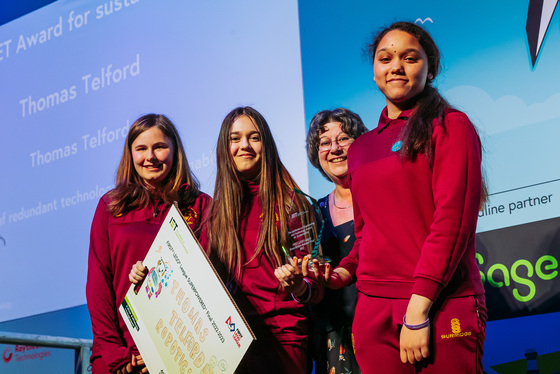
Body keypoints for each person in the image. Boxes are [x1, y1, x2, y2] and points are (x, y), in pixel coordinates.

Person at [309, 22, 488, 373]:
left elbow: (452, 224)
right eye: (385, 58)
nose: (396, 66)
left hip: (439, 305)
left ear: (430, 68)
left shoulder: (450, 125)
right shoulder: (361, 148)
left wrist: (418, 313)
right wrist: (341, 274)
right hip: (373, 315)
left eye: (409, 58)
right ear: (375, 72)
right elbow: (366, 236)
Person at [86, 114, 212, 374]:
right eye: (141, 149)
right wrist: (114, 354)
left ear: (175, 151)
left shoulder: (201, 206)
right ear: (130, 155)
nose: (150, 157)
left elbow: (208, 285)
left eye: (159, 147)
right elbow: (98, 284)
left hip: (178, 355)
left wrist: (167, 354)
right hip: (120, 359)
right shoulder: (110, 206)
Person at [207, 106, 322, 374]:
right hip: (231, 347)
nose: (244, 145)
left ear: (266, 145)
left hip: (284, 344)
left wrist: (299, 286)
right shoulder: (214, 214)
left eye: (254, 137)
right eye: (235, 138)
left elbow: (316, 288)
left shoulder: (292, 204)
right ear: (225, 148)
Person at [305, 108, 367, 374]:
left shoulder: (381, 197)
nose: (335, 149)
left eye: (343, 139)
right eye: (325, 143)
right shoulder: (311, 214)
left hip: (386, 325)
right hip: (334, 340)